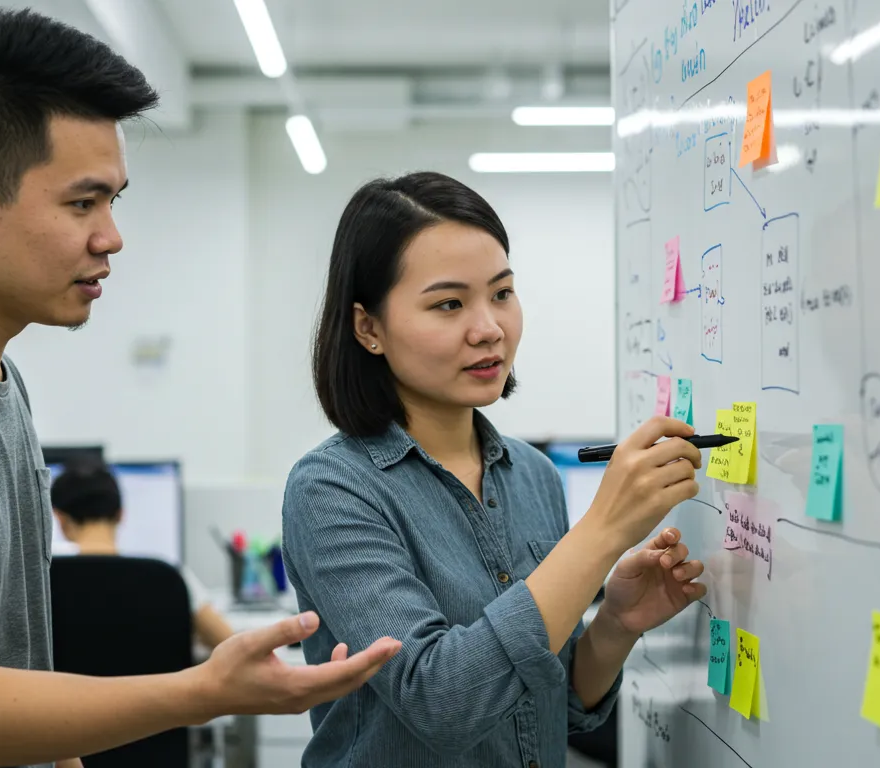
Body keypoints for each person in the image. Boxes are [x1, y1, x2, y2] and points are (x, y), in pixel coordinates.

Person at [0, 9, 400, 768]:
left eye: (113, 202)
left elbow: (14, 673)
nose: (111, 237)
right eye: (80, 203)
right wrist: (206, 690)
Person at [281, 171, 706, 766]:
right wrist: (602, 533)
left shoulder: (530, 474)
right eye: (449, 304)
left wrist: (614, 625)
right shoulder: (333, 489)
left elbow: (543, 705)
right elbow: (444, 701)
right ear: (368, 328)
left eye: (502, 293)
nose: (489, 329)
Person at [50, 461, 235, 653]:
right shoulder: (168, 576)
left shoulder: (46, 581)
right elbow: (232, 646)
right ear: (121, 515)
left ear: (60, 519)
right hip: (162, 684)